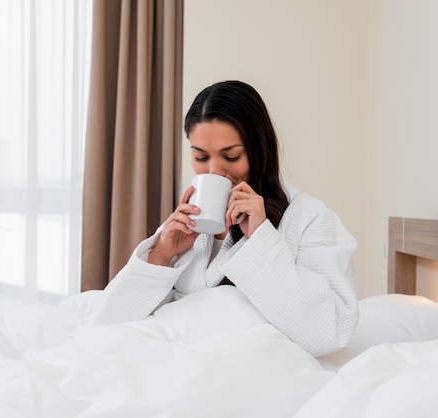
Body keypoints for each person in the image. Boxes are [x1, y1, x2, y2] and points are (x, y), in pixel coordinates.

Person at [95, 80, 358, 357]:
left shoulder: (309, 218)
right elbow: (108, 321)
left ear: (259, 151)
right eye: (200, 156)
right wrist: (161, 255)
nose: (214, 171)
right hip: (176, 359)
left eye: (231, 156)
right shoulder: (187, 226)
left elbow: (329, 331)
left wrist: (260, 241)